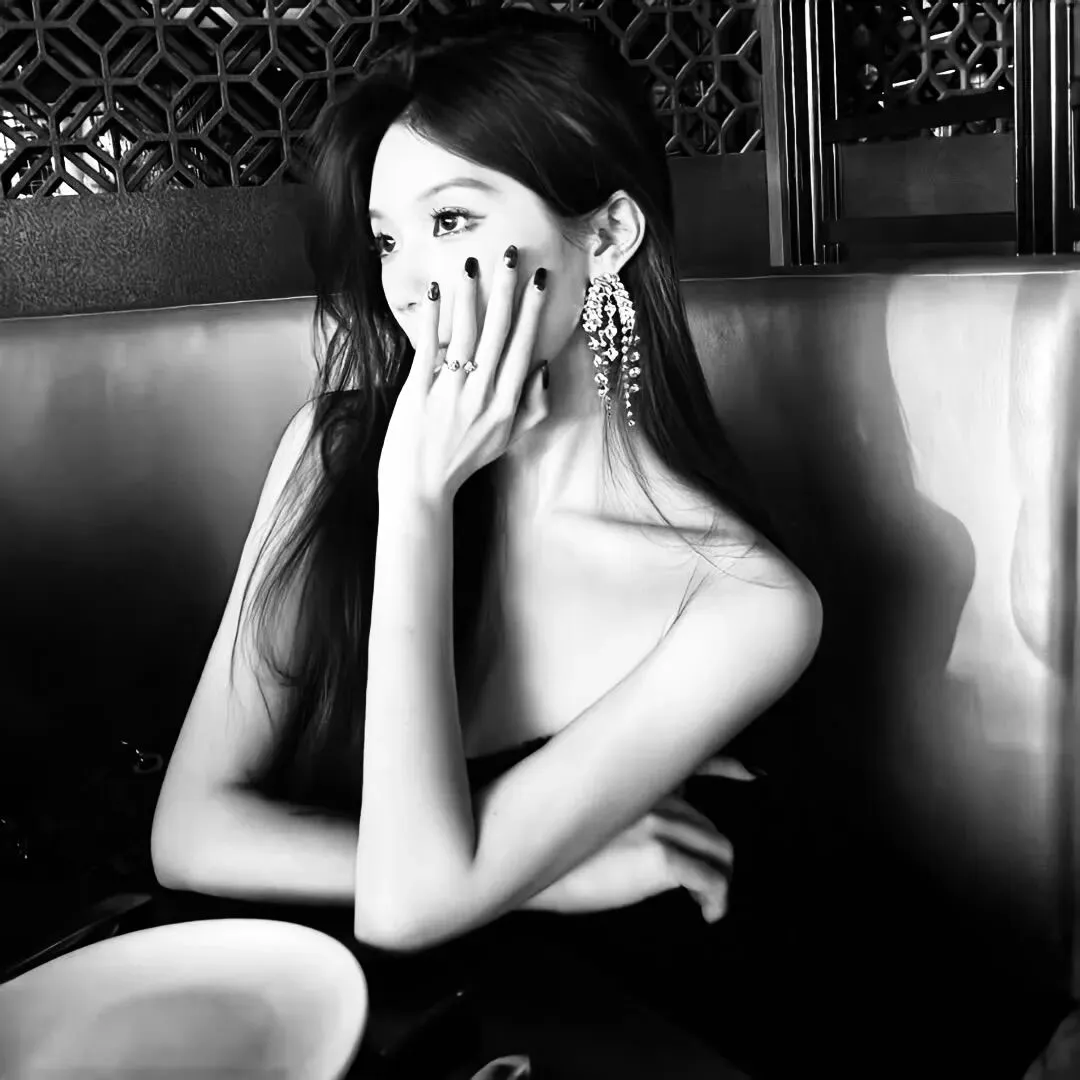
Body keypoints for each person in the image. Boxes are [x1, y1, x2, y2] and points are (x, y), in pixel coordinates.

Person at [150, 4, 821, 1062]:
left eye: (453, 221)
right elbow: (187, 833)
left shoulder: (745, 603)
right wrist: (540, 874)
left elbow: (409, 905)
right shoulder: (333, 451)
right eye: (387, 239)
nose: (410, 284)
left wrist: (419, 505)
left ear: (607, 236)